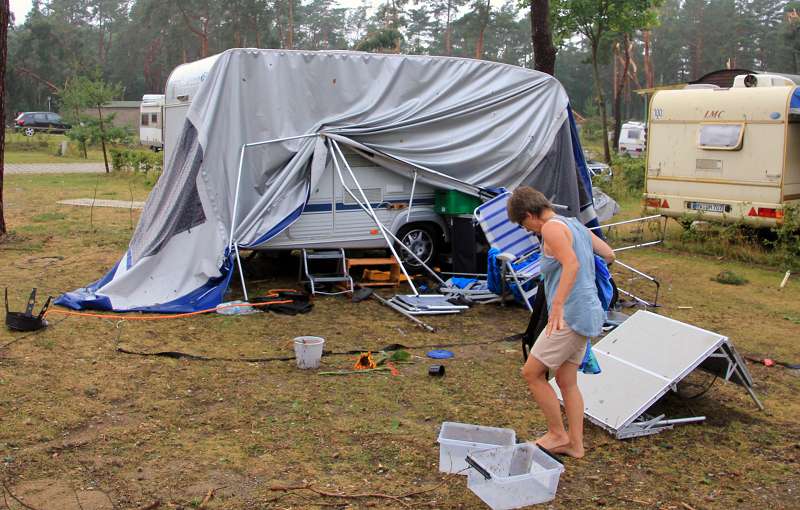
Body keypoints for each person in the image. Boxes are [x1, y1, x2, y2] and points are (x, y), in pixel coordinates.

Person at [507, 186, 615, 458]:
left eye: (523, 225)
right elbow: (608, 254)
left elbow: (572, 264)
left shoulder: (551, 229)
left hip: (570, 314)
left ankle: (557, 434)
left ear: (529, 215)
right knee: (567, 381)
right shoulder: (575, 225)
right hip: (588, 311)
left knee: (532, 373)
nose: (527, 230)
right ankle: (575, 444)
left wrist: (557, 304)